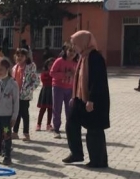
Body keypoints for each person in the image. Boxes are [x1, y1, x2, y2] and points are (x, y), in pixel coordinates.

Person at [63, 30, 110, 169]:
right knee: (71, 123)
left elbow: (98, 81)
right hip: (80, 98)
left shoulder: (95, 57)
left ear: (83, 43)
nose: (74, 47)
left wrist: (92, 100)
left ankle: (99, 161)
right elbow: (78, 79)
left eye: (75, 44)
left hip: (95, 99)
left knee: (94, 130)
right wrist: (74, 96)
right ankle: (76, 153)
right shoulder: (83, 56)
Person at [50, 44, 78, 139]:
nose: (72, 53)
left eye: (74, 51)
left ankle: (69, 129)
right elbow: (52, 73)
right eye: (70, 51)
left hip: (70, 89)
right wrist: (64, 74)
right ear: (66, 51)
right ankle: (56, 129)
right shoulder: (59, 61)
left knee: (69, 110)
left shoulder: (76, 63)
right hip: (58, 87)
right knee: (57, 108)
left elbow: (79, 76)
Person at [11, 48, 39, 141]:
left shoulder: (30, 66)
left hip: (25, 95)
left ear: (26, 57)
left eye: (22, 56)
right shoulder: (15, 67)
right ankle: (15, 132)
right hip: (15, 95)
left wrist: (29, 89)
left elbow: (36, 81)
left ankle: (26, 133)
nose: (19, 58)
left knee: (24, 114)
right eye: (18, 55)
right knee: (16, 114)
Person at [36, 58, 55, 132]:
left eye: (52, 64)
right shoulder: (44, 72)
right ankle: (38, 124)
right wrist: (51, 75)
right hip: (45, 91)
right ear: (46, 65)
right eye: (49, 64)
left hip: (52, 92)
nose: (51, 66)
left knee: (50, 109)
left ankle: (48, 124)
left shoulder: (55, 72)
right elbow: (45, 80)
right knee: (42, 109)